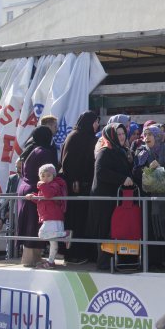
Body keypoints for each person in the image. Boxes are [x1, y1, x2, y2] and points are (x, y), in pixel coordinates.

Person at [60, 110, 100, 264]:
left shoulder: (82, 136)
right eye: (95, 122)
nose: (97, 125)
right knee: (78, 222)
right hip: (77, 189)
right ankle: (75, 254)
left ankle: (80, 253)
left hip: (81, 188)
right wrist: (75, 180)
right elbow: (69, 163)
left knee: (80, 222)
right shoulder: (78, 137)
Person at [93, 123, 136, 266]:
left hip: (117, 198)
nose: (122, 137)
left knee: (117, 228)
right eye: (118, 134)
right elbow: (101, 172)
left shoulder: (122, 150)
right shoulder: (105, 151)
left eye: (123, 133)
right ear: (111, 136)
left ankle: (119, 261)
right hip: (105, 199)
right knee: (106, 229)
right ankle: (105, 262)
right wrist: (122, 179)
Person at [134, 124, 165, 270]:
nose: (146, 138)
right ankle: (153, 262)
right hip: (150, 200)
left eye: (150, 134)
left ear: (158, 136)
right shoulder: (141, 152)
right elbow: (135, 173)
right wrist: (148, 170)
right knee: (152, 228)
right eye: (145, 135)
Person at [16, 125, 59, 269]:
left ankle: (34, 257)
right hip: (36, 190)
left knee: (31, 224)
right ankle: (29, 259)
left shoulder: (31, 149)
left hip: (25, 188)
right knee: (33, 225)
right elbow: (49, 172)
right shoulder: (44, 152)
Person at [27, 163, 70, 269]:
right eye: (43, 176)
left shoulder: (54, 185)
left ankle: (65, 234)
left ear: (53, 176)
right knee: (53, 242)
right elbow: (43, 200)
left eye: (48, 175)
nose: (45, 178)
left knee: (42, 234)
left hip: (52, 216)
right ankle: (51, 261)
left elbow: (48, 195)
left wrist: (41, 185)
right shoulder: (46, 187)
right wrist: (33, 197)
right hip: (50, 216)